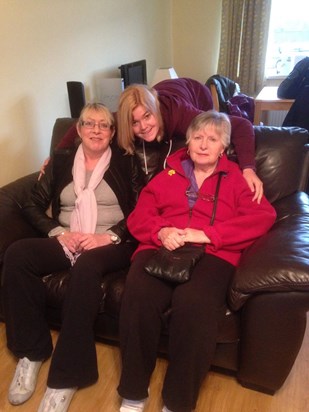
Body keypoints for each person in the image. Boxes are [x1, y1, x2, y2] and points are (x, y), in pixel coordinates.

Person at [117, 111, 276, 412]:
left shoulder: (238, 181)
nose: (204, 145)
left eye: (212, 139)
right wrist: (160, 231)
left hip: (214, 253)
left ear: (223, 147)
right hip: (161, 246)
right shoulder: (167, 175)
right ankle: (134, 392)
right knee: (137, 296)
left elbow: (263, 216)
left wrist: (209, 234)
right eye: (198, 138)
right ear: (188, 143)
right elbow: (139, 216)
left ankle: (178, 402)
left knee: (195, 304)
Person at [2, 103, 142, 412]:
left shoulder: (127, 163)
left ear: (112, 132)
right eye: (88, 124)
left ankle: (67, 375)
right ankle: (32, 351)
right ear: (77, 130)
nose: (95, 130)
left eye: (103, 125)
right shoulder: (62, 160)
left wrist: (109, 235)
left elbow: (140, 211)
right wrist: (57, 232)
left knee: (88, 267)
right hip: (68, 237)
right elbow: (32, 205)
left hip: (111, 241)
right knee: (18, 254)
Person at [56, 78, 263, 202]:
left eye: (147, 116)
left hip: (194, 91)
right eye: (135, 123)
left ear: (156, 110)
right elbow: (82, 125)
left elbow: (241, 125)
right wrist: (55, 155)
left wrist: (248, 168)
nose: (143, 126)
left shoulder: (181, 114)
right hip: (157, 91)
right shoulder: (122, 119)